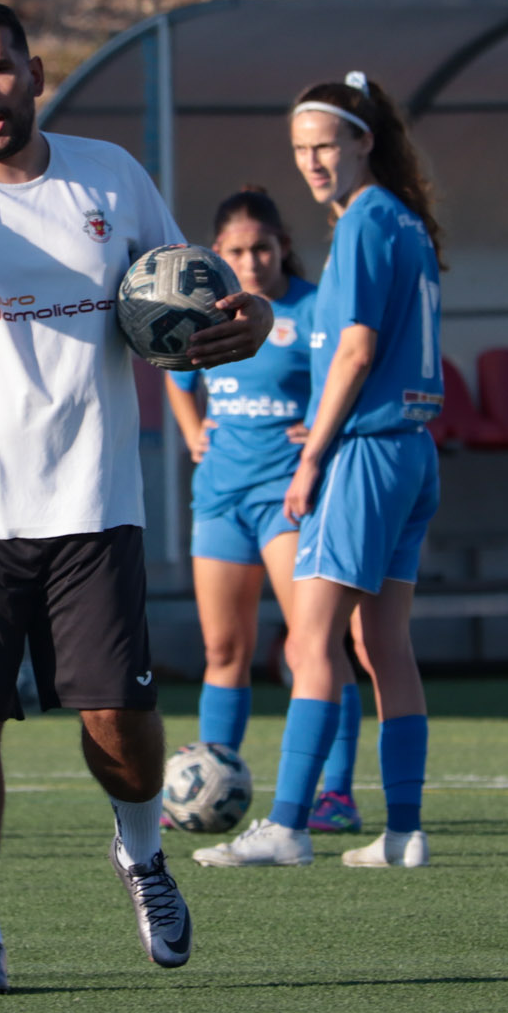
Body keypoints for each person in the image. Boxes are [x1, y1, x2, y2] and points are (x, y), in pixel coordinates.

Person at [0, 1, 273, 994]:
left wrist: (248, 320)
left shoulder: (109, 174)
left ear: (33, 73)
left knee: (119, 719)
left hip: (92, 499)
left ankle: (141, 856)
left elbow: (190, 294)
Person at [194, 71, 443, 870]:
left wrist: (310, 457)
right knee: (383, 643)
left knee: (311, 640)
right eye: (301, 149)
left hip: (368, 452)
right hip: (413, 449)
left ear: (363, 141)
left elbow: (356, 351)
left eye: (326, 145)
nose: (312, 161)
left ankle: (289, 825)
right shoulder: (406, 219)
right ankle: (403, 833)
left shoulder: (366, 219)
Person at [163, 187, 364, 836]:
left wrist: (320, 432)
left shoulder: (312, 307)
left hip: (289, 495)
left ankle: (336, 792)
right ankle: (209, 781)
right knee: (224, 647)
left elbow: (351, 373)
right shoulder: (208, 310)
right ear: (218, 254)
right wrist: (192, 430)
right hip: (221, 495)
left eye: (261, 248)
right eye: (237, 251)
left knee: (312, 646)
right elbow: (177, 374)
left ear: (283, 247)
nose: (250, 261)